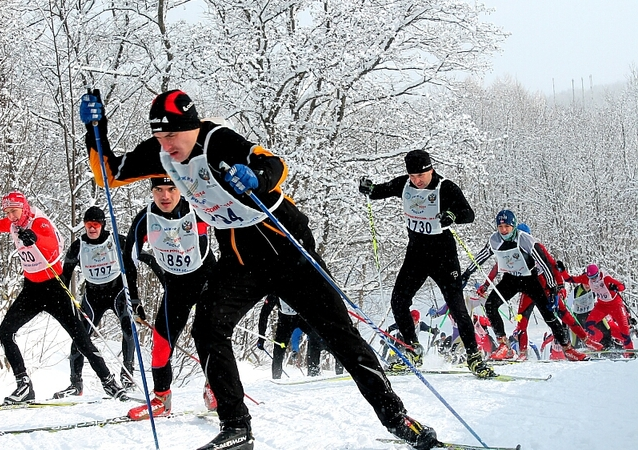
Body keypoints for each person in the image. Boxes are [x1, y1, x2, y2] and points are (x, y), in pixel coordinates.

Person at [81, 89, 439, 450]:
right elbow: (108, 174)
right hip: (242, 261)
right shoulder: (163, 154)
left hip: (289, 252)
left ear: (191, 126)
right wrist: (97, 129)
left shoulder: (216, 140)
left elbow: (273, 163)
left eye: (172, 135)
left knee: (341, 338)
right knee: (206, 327)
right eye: (160, 137)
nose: (167, 145)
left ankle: (397, 419)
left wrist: (256, 177)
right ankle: (236, 427)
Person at [0, 189, 128, 404]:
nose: (12, 217)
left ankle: (109, 382)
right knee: (5, 331)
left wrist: (35, 239)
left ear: (24, 208)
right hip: (32, 290)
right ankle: (24, 385)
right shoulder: (13, 225)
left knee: (81, 338)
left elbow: (52, 245)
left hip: (54, 288)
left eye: (15, 211)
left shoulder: (39, 221)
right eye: (7, 213)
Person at [359, 150, 496, 379]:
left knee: (456, 306)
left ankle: (473, 357)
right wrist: (369, 189)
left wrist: (452, 215)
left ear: (430, 169)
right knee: (399, 301)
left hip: (443, 256)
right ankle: (413, 349)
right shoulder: (405, 185)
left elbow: (468, 214)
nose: (416, 180)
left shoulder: (445, 187)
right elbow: (379, 192)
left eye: (420, 175)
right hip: (416, 255)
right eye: (412, 176)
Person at [122, 176, 217, 420]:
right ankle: (161, 399)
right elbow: (128, 259)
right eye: (159, 190)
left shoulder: (197, 208)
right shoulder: (147, 218)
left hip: (207, 280)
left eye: (171, 189)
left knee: (207, 336)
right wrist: (133, 299)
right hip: (176, 286)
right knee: (161, 341)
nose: (165, 196)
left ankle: (215, 386)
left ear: (181, 190)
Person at [460, 209, 589, 362]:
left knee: (549, 313)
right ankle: (503, 346)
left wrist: (554, 288)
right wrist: (467, 273)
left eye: (507, 227)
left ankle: (568, 349)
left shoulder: (525, 239)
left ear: (513, 226)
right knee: (490, 305)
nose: (504, 230)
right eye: (500, 227)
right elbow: (481, 256)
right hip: (511, 279)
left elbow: (545, 263)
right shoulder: (495, 240)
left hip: (530, 279)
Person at [52, 206, 139, 398]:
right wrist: (62, 298)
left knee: (128, 328)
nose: (92, 228)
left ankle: (128, 376)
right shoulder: (78, 246)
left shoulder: (116, 240)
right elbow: (65, 274)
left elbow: (136, 264)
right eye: (88, 224)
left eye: (96, 224)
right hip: (93, 296)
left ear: (102, 225)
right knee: (79, 336)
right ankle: (76, 384)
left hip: (117, 293)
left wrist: (135, 298)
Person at [257, 295, 343, 378]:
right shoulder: (274, 293)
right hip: (285, 322)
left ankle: (314, 372)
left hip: (303, 318)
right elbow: (264, 314)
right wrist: (261, 337)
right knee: (279, 348)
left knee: (318, 339)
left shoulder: (302, 286)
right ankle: (276, 376)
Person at [568, 264, 634, 358]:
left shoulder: (595, 288)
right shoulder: (575, 291)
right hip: (579, 316)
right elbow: (568, 304)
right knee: (579, 334)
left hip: (593, 313)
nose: (588, 285)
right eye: (586, 283)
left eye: (588, 283)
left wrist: (615, 289)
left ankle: (611, 346)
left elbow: (603, 302)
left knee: (607, 329)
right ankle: (578, 350)